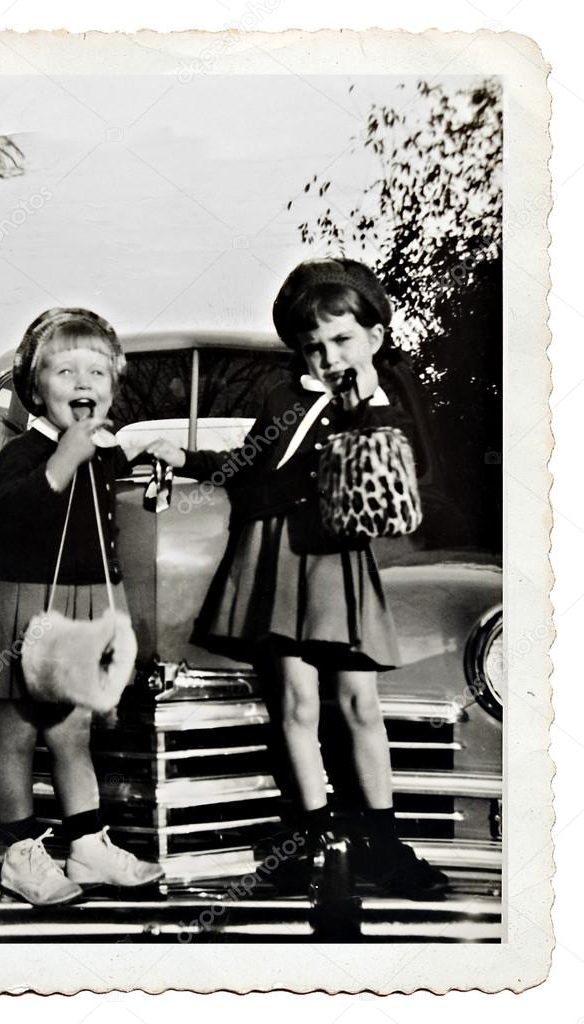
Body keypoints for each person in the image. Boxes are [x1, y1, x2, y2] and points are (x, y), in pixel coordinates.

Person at [146, 259, 449, 897]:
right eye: (312, 346)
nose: (326, 355)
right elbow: (252, 464)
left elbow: (407, 467)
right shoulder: (282, 396)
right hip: (274, 555)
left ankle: (381, 846)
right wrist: (189, 458)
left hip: (338, 556)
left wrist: (362, 397)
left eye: (342, 340)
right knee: (295, 703)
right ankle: (304, 841)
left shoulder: (382, 395)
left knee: (359, 704)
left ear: (375, 336)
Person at [0, 308, 164, 905]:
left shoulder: (101, 449)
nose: (82, 382)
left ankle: (87, 846)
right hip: (27, 604)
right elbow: (16, 515)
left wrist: (153, 449)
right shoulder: (25, 450)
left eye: (96, 371)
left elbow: (118, 474)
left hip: (82, 608)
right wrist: (66, 456)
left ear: (112, 387)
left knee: (74, 734)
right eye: (64, 370)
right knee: (16, 736)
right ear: (34, 388)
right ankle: (18, 855)